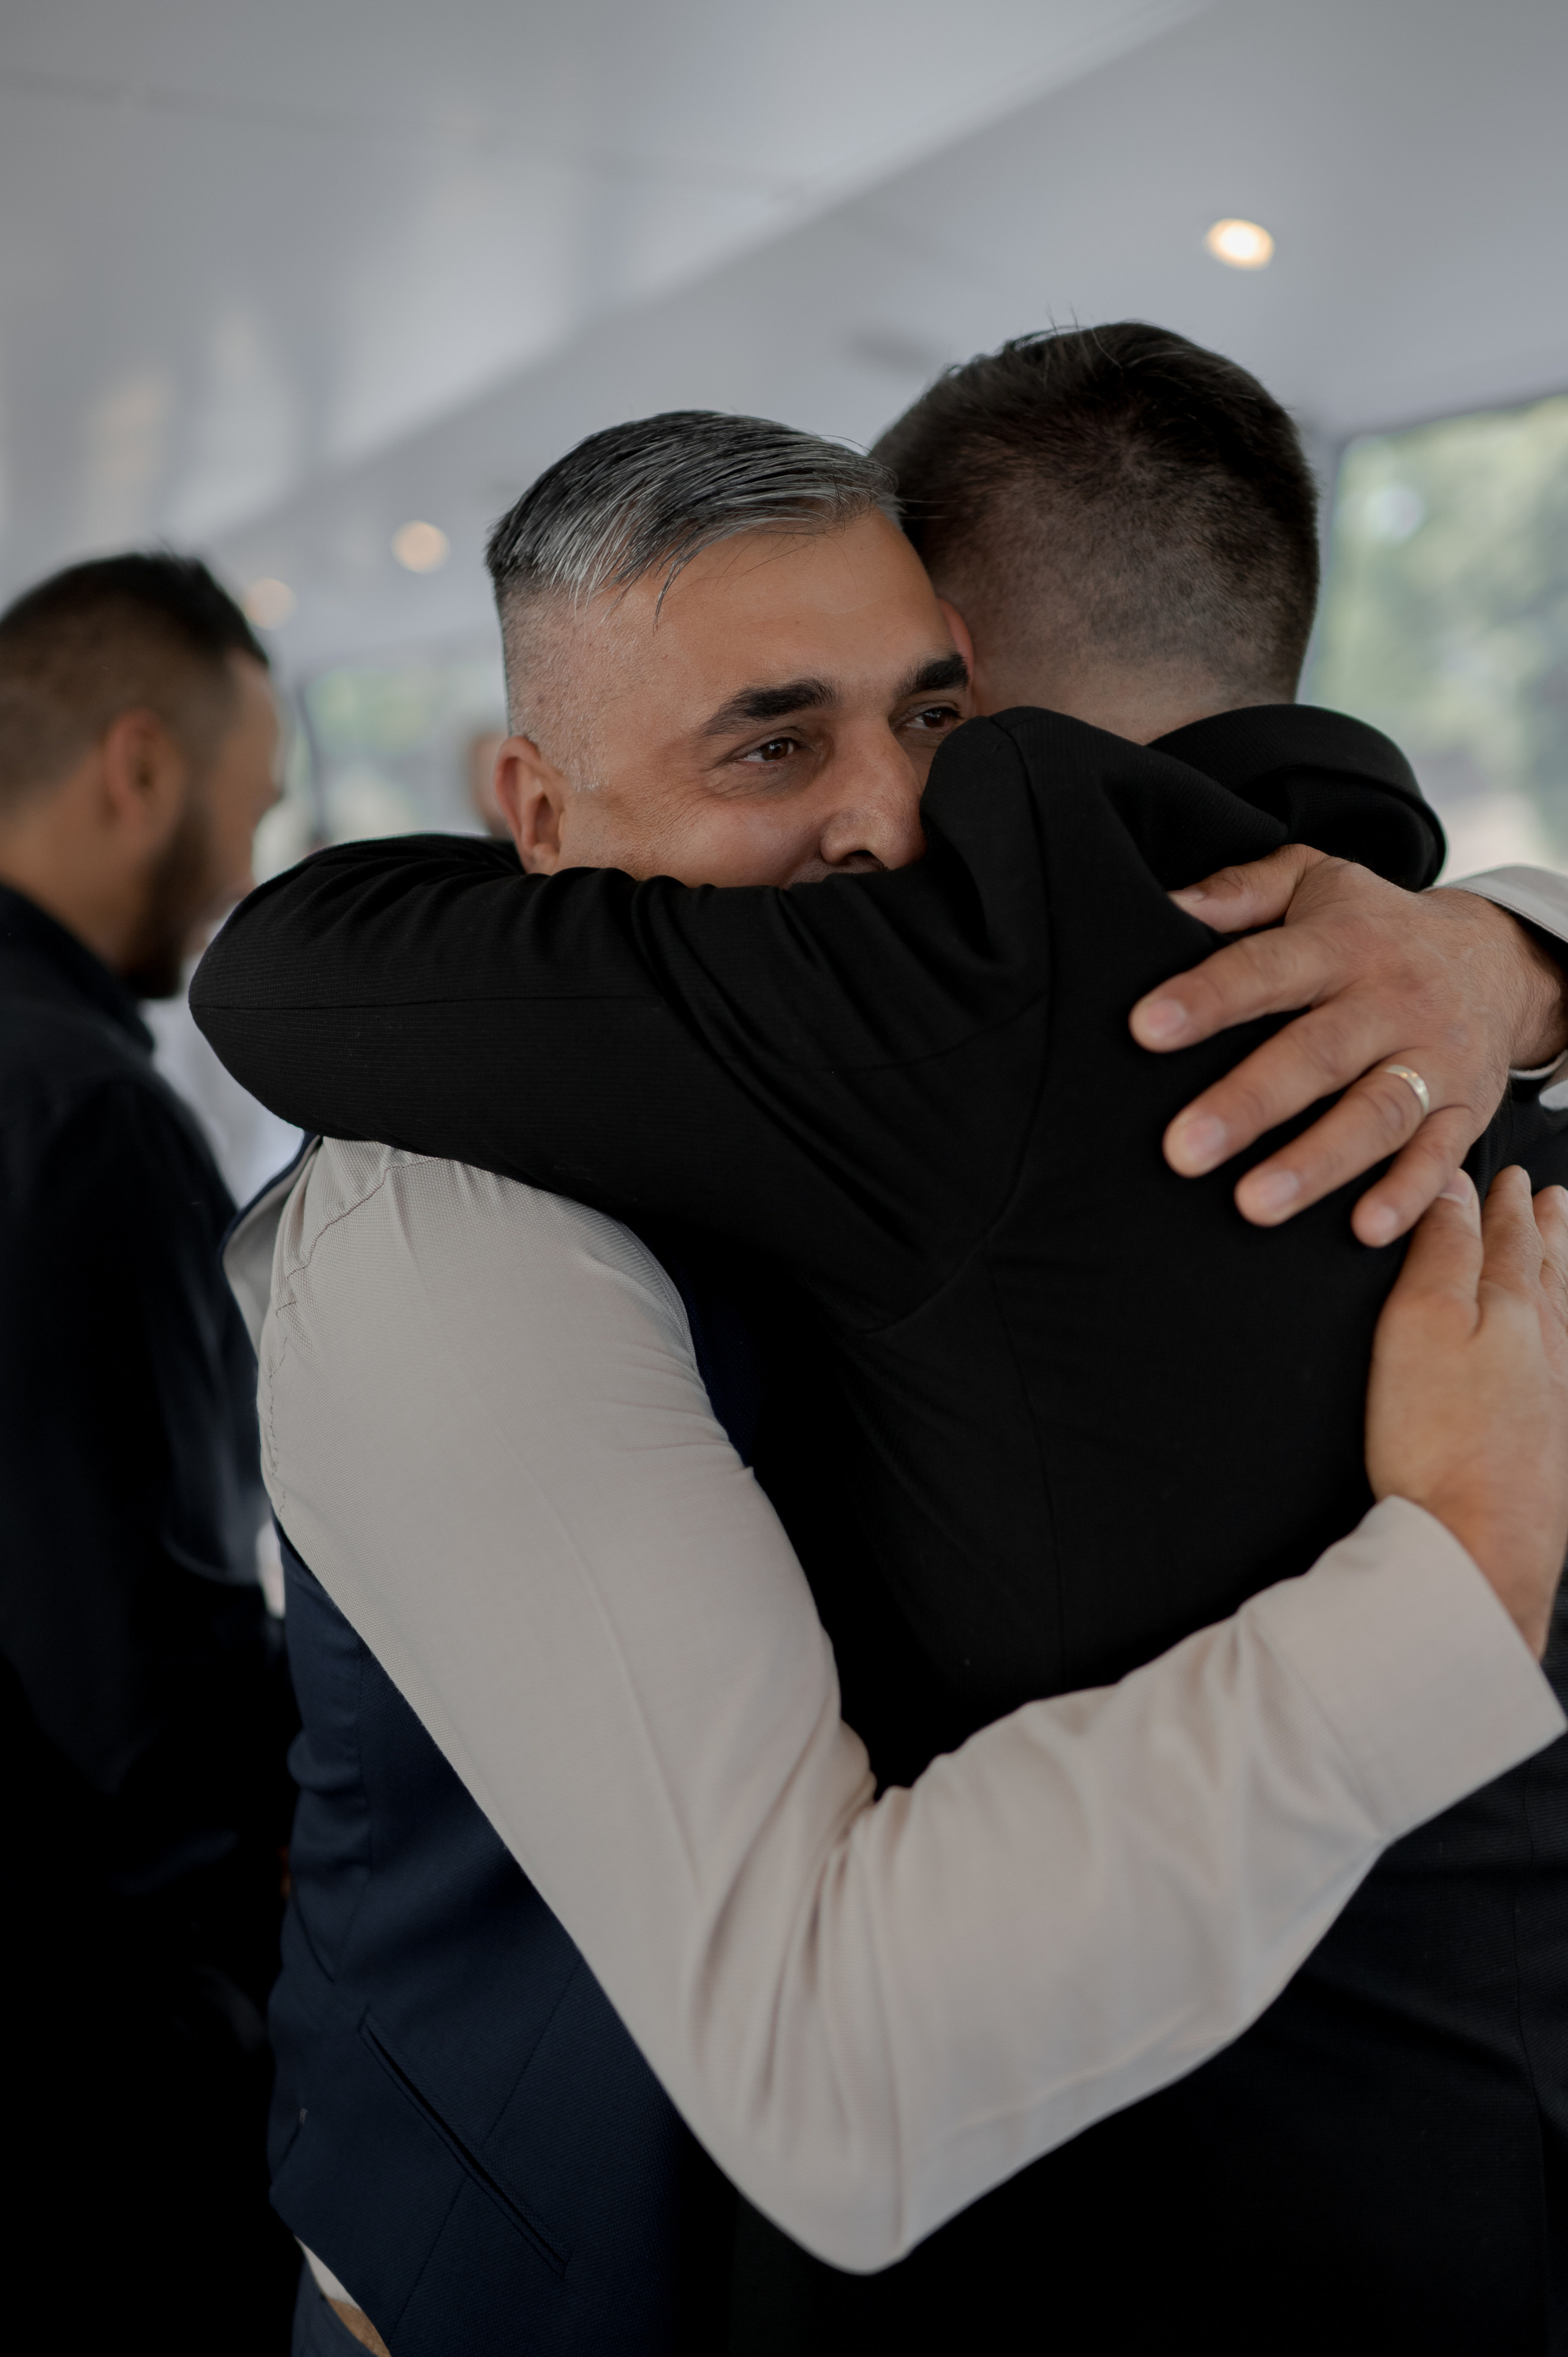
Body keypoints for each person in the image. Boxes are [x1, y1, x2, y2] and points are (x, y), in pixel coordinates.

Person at [196, 368, 1568, 2354]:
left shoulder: (1025, 1040)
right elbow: (811, 2047)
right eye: (772, 745)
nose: (895, 815)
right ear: (541, 814)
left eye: (940, 721)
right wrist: (1451, 1569)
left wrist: (1513, 953)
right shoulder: (441, 1222)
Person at [0, 552, 301, 2351]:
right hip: (95, 2045)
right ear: (139, 766)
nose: (243, 873)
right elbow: (146, 1670)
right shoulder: (88, 1114)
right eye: (244, 809)